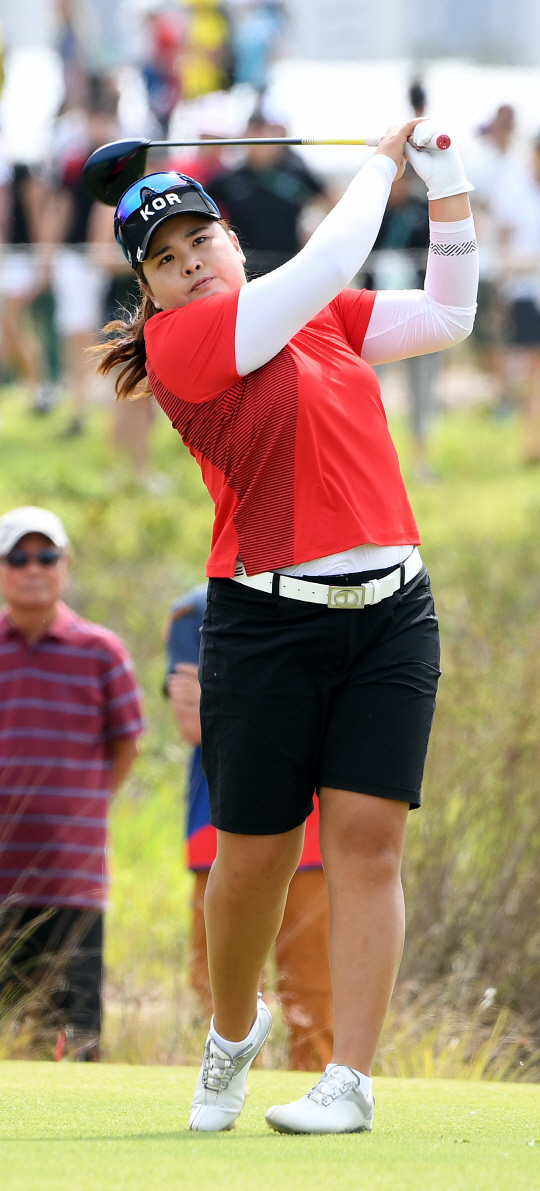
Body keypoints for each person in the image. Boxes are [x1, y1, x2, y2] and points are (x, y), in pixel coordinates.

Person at [95, 116, 478, 1133]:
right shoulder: (186, 345)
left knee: (367, 846)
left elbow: (447, 317)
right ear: (153, 292)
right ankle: (231, 1039)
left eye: (200, 243)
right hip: (266, 625)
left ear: (230, 240)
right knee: (253, 854)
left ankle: (347, 1083)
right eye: (166, 263)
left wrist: (449, 195)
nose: (190, 266)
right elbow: (332, 254)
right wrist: (380, 164)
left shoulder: (316, 316)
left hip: (394, 613)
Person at [165, 584, 333, 1070]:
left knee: (315, 988)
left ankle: (318, 1101)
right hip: (218, 827)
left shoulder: (339, 593)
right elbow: (196, 724)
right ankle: (229, 1086)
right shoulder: (194, 607)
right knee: (221, 980)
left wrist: (240, 698)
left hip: (315, 830)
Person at [0, 506, 143, 1060]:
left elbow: (126, 744)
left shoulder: (101, 651)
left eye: (46, 556)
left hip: (72, 878)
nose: (33, 568)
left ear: (66, 564)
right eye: (18, 557)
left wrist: (85, 810)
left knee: (72, 1039)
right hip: (3, 876)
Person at [208, 110, 327, 274]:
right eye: (255, 131)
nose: (260, 140)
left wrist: (316, 237)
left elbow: (331, 201)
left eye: (265, 131)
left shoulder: (296, 172)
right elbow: (201, 209)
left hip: (289, 267)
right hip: (246, 270)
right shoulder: (228, 179)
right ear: (244, 137)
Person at [491, 134, 540, 462]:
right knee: (529, 368)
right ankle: (530, 440)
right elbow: (503, 247)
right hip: (525, 291)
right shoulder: (515, 194)